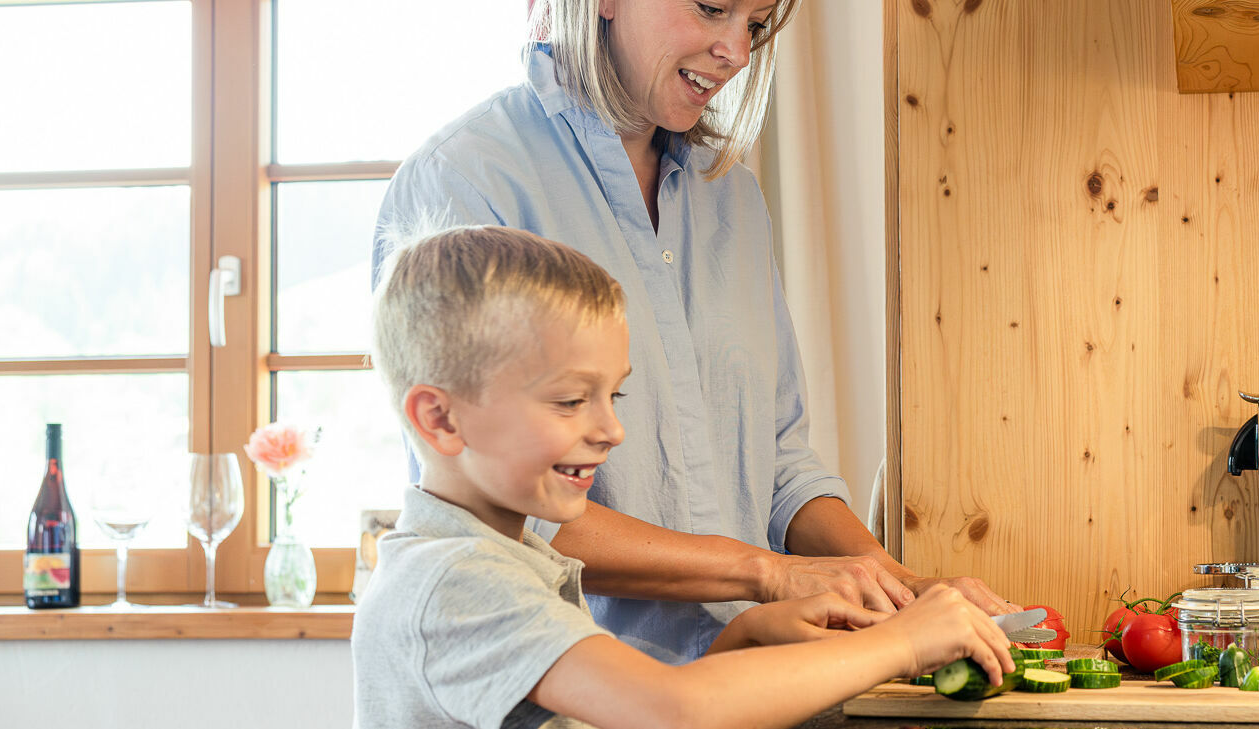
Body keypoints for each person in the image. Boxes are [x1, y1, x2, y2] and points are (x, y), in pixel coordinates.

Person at [374, 0, 1018, 663]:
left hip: (748, 685)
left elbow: (780, 464)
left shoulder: (731, 195)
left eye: (756, 27)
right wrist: (764, 571)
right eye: (713, 8)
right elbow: (505, 508)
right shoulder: (467, 180)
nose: (738, 53)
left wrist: (902, 586)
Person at [353, 225, 1014, 729]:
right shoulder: (454, 580)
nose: (610, 429)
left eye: (614, 396)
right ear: (439, 418)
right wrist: (904, 642)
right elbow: (673, 710)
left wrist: (747, 636)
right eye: (570, 400)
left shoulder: (509, 557)